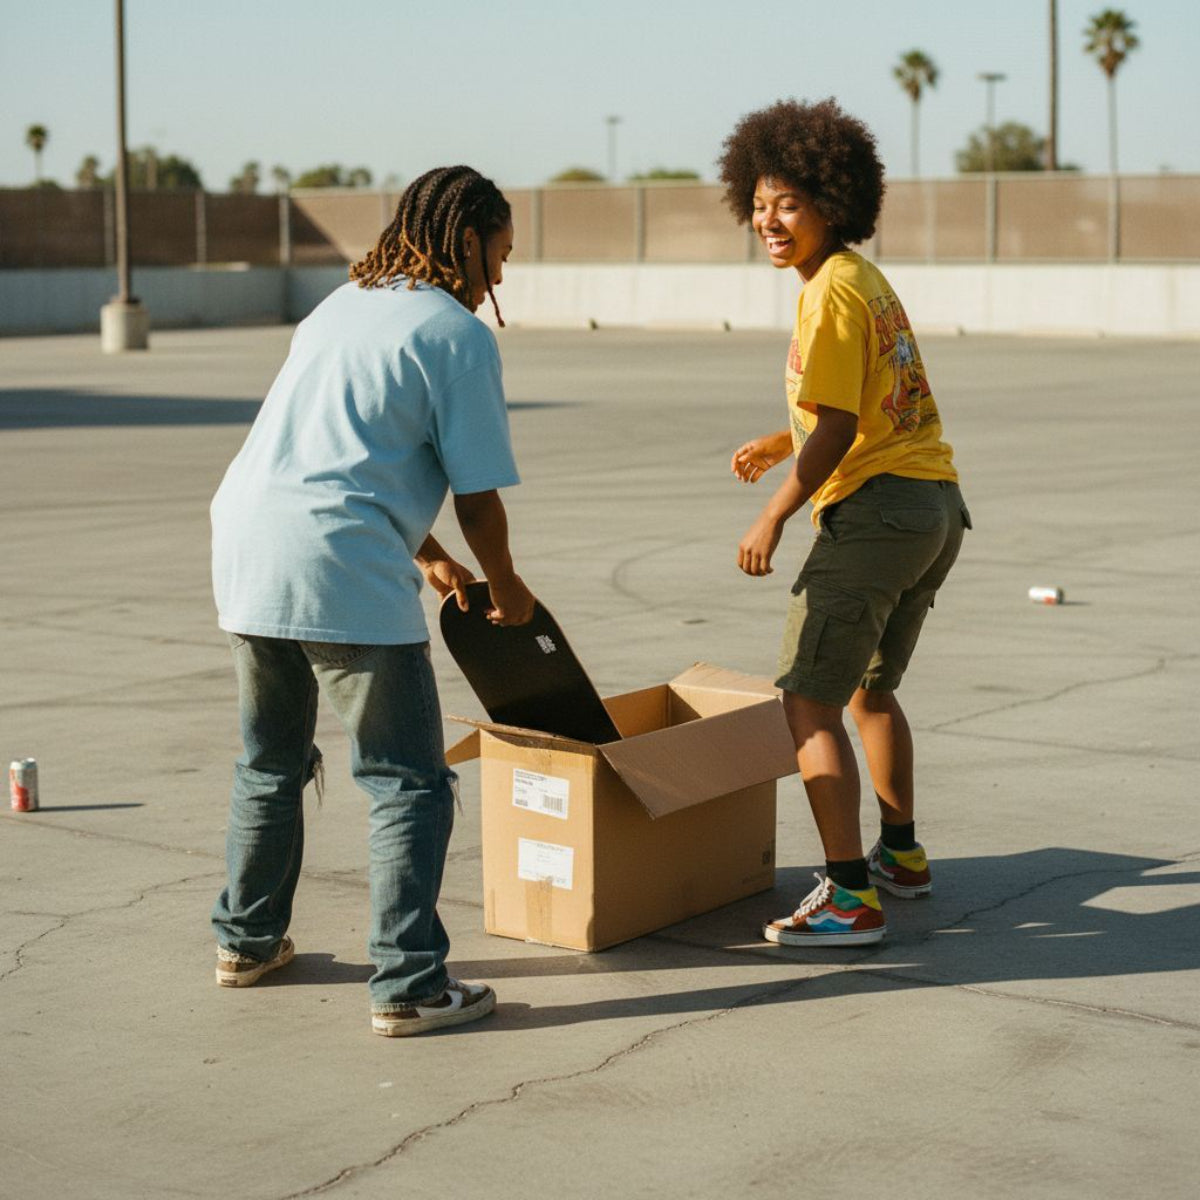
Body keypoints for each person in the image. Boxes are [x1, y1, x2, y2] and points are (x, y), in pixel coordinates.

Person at [209, 165, 534, 1036]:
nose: (499, 279)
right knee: (408, 783)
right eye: (499, 256)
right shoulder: (457, 335)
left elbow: (334, 452)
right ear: (466, 240)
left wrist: (425, 554)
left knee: (269, 761)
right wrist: (505, 589)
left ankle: (246, 941)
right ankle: (411, 985)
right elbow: (478, 495)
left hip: (247, 546)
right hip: (339, 562)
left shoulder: (339, 305)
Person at [718, 100, 971, 947]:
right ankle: (901, 855)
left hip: (875, 514)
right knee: (870, 688)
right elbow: (853, 405)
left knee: (807, 701)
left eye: (787, 202)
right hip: (932, 507)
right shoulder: (861, 278)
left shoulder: (827, 294)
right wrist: (773, 438)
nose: (769, 221)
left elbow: (833, 430)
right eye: (759, 205)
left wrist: (774, 513)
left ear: (833, 199)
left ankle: (850, 897)